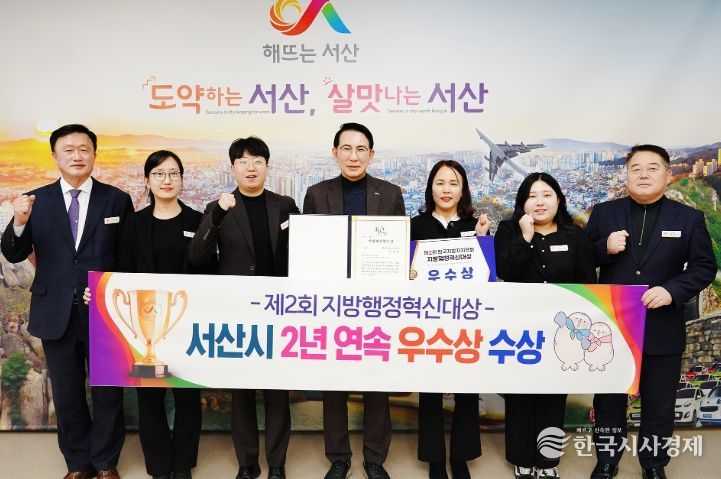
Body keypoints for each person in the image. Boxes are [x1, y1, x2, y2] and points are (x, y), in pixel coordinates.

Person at [1, 124, 133, 479]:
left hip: (105, 310)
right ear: (55, 156)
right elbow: (13, 253)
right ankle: (77, 463)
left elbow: (127, 257)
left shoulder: (116, 200)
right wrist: (19, 221)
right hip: (54, 309)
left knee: (108, 392)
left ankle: (105, 463)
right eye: (69, 150)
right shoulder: (35, 201)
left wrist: (109, 290)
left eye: (84, 149)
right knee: (67, 391)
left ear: (94, 154)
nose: (77, 156)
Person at [586, 145, 716, 479]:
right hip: (613, 328)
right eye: (636, 168)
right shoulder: (604, 213)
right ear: (626, 174)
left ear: (668, 175)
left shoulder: (688, 218)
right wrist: (603, 249)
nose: (643, 174)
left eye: (652, 168)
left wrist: (672, 291)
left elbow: (704, 267)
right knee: (609, 401)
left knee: (659, 404)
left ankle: (654, 464)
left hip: (663, 325)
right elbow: (580, 260)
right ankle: (607, 460)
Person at [189, 136, 299, 479]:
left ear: (267, 166)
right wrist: (217, 216)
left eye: (257, 161)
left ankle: (277, 464)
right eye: (243, 162)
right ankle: (247, 465)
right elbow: (197, 257)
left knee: (278, 394)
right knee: (242, 394)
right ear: (232, 167)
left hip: (279, 310)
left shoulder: (285, 205)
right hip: (237, 312)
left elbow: (303, 253)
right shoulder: (218, 207)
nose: (251, 168)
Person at [303, 122, 405, 479]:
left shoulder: (390, 194)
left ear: (371, 154)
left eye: (361, 149)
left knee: (377, 383)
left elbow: (398, 251)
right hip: (332, 304)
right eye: (346, 148)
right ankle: (339, 458)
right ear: (335, 152)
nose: (353, 156)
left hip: (377, 303)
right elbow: (308, 250)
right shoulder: (316, 194)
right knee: (334, 384)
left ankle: (375, 459)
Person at [495, 172, 596, 479]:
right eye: (532, 196)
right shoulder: (509, 230)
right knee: (520, 397)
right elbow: (505, 271)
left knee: (553, 398)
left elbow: (587, 284)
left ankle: (548, 461)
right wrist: (525, 237)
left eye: (546, 195)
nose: (539, 202)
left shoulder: (575, 235)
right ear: (522, 202)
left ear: (559, 200)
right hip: (519, 331)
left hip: (559, 333)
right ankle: (521, 458)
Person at [117, 150, 210, 479]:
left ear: (182, 179)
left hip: (187, 327)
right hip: (146, 330)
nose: (166, 180)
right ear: (147, 181)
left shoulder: (198, 221)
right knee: (150, 398)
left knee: (187, 398)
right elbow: (122, 272)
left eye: (173, 173)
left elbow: (211, 271)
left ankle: (183, 464)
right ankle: (158, 465)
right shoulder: (134, 224)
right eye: (159, 174)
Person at [410, 160, 490, 479]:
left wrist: (482, 239)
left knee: (467, 391)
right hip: (426, 321)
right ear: (430, 187)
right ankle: (434, 459)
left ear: (463, 190)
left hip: (465, 320)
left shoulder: (475, 225)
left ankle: (461, 457)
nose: (446, 189)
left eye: (453, 183)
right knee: (429, 392)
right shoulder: (415, 226)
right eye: (440, 182)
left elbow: (487, 274)